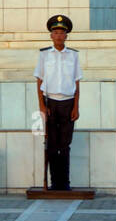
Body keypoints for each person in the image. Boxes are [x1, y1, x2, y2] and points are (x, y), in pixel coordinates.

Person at [34, 15, 81, 191]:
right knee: (51, 145)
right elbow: (39, 81)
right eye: (56, 32)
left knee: (65, 145)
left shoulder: (73, 55)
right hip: (50, 102)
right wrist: (41, 106)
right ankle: (54, 182)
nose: (59, 35)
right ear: (51, 35)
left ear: (66, 36)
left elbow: (77, 82)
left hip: (68, 103)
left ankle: (65, 182)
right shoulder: (44, 54)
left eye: (62, 32)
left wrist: (76, 106)